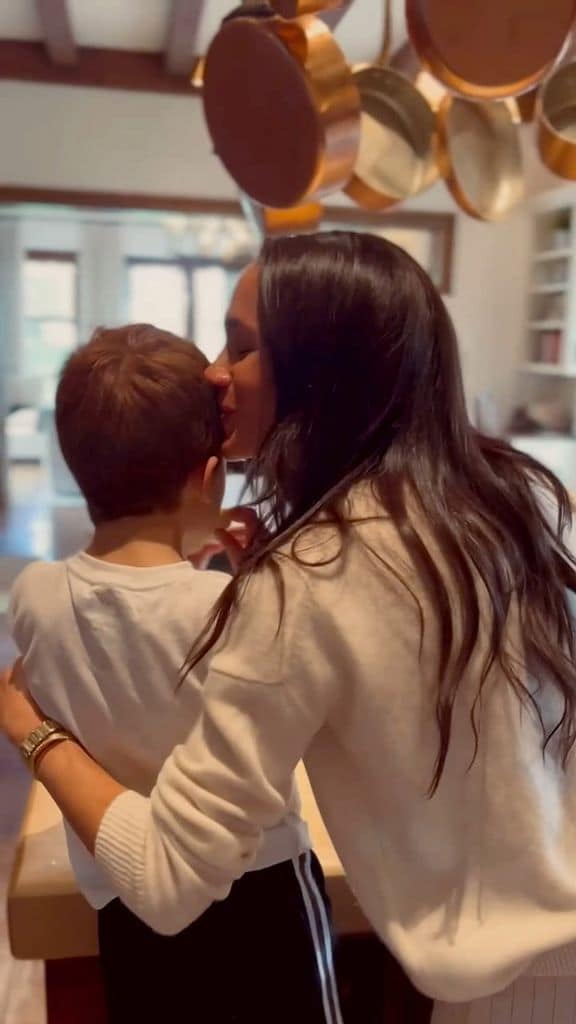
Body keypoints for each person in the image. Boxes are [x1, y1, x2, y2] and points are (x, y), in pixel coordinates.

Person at [3, 232, 576, 1022]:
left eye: (240, 347)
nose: (211, 372)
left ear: (319, 376)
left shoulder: (305, 579)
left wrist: (29, 727)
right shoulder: (516, 493)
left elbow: (166, 878)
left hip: (510, 987)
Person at [8, 324, 334, 1024]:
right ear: (208, 475)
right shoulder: (233, 604)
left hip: (123, 890)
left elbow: (122, 629)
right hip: (261, 885)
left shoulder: (33, 595)